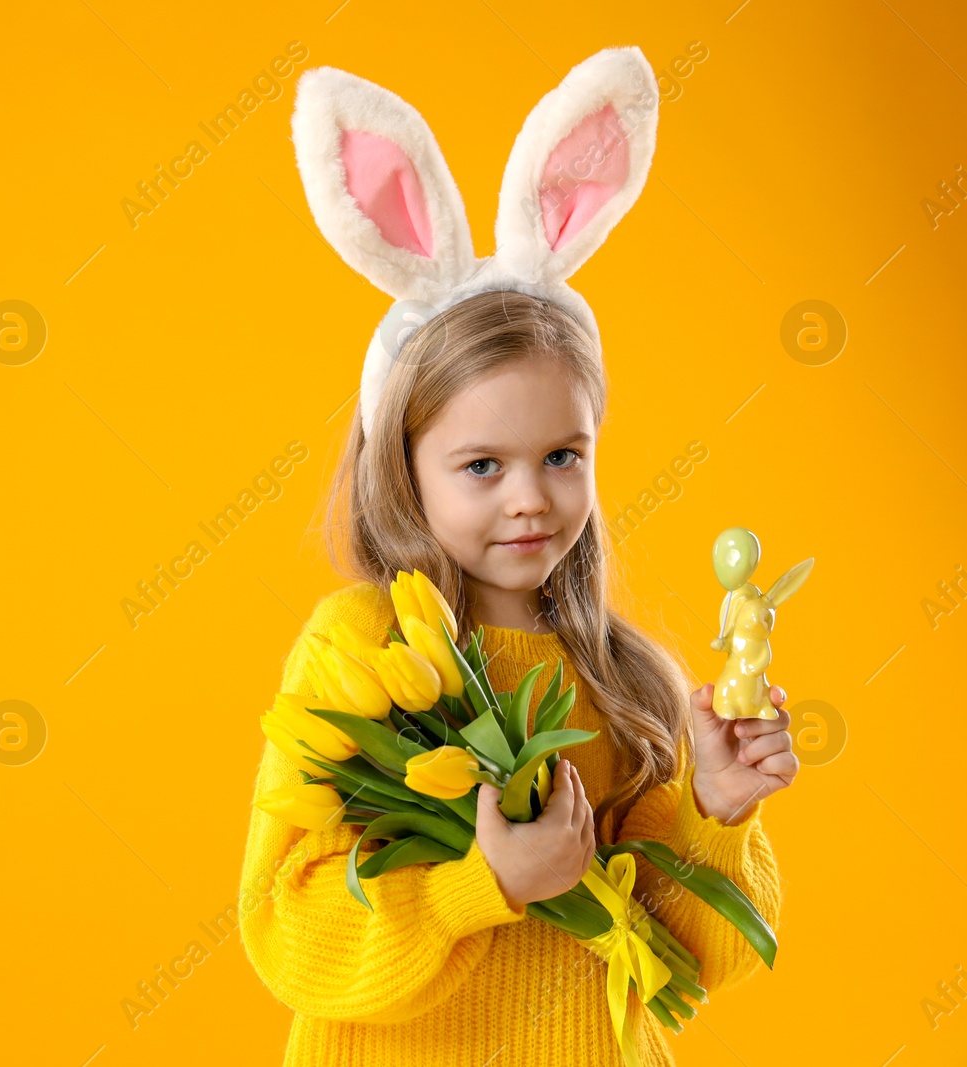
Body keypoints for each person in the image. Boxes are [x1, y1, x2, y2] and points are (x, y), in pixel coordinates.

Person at [239, 49, 796, 1067]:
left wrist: (716, 807)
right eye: (481, 463)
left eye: (561, 455)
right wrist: (479, 881)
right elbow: (285, 924)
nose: (531, 495)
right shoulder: (359, 655)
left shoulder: (626, 677)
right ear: (403, 468)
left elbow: (681, 960)